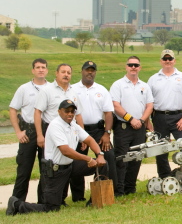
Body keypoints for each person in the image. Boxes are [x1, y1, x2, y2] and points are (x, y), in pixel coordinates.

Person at [6, 100, 107, 215]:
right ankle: (16, 205)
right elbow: (65, 151)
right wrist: (88, 159)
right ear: (59, 111)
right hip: (56, 170)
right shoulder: (55, 126)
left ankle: (94, 201)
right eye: (66, 111)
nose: (70, 114)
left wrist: (100, 155)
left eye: (72, 111)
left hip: (70, 165)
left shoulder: (73, 124)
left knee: (103, 164)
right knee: (51, 208)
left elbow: (88, 139)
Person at [34, 63, 83, 204]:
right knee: (49, 169)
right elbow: (38, 112)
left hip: (68, 132)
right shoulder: (47, 90)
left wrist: (81, 137)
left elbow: (78, 115)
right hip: (51, 132)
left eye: (69, 72)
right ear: (56, 73)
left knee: (65, 166)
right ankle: (44, 201)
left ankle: (61, 199)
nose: (66, 74)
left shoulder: (73, 92)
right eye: (63, 72)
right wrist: (39, 135)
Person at [70, 61, 117, 201]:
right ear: (82, 71)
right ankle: (78, 196)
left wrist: (107, 133)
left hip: (98, 130)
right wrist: (79, 134)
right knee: (77, 160)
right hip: (78, 131)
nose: (90, 72)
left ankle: (109, 191)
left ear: (95, 72)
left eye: (92, 70)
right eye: (87, 70)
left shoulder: (102, 90)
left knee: (109, 155)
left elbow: (108, 113)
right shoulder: (72, 89)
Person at [148, 50, 182, 178]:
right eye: (165, 59)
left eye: (170, 58)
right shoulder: (153, 79)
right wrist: (148, 121)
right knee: (161, 149)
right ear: (161, 61)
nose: (167, 61)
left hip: (178, 116)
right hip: (159, 117)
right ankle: (165, 177)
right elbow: (148, 102)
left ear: (174, 60)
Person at [110, 56, 153, 196]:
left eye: (136, 65)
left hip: (140, 127)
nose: (133, 67)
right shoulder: (118, 85)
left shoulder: (144, 86)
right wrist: (131, 119)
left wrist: (141, 120)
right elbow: (116, 105)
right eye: (130, 65)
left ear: (140, 67)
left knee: (136, 158)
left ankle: (130, 188)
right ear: (126, 67)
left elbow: (149, 106)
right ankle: (119, 190)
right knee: (122, 159)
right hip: (123, 127)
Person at [9, 58, 49, 203]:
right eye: (37, 67)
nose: (40, 70)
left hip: (46, 131)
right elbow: (13, 109)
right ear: (33, 70)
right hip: (28, 132)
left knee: (46, 169)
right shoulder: (24, 89)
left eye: (43, 67)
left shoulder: (51, 88)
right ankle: (16, 204)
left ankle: (44, 203)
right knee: (24, 170)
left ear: (47, 70)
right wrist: (18, 132)